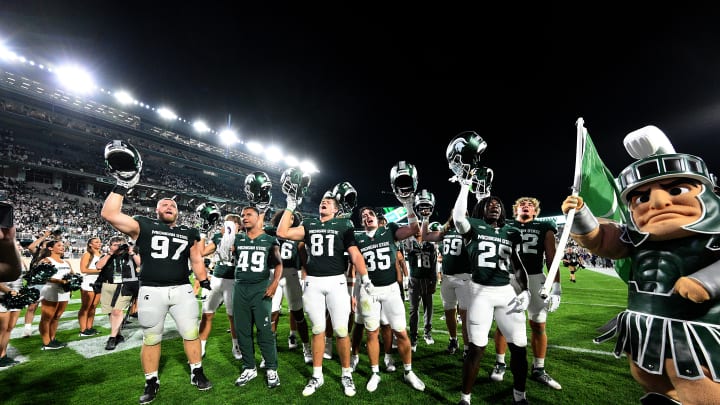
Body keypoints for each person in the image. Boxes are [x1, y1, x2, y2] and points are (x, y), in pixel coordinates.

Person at [561, 126, 720, 404]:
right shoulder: (639, 235)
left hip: (694, 328)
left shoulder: (711, 234)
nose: (658, 202)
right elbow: (604, 239)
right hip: (645, 324)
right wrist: (581, 214)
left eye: (676, 189)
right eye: (642, 197)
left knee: (692, 379)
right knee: (646, 372)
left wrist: (706, 281)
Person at [101, 140, 212, 404]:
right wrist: (123, 184)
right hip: (151, 290)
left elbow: (196, 259)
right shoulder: (144, 226)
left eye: (172, 205)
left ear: (178, 211)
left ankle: (197, 371)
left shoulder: (189, 232)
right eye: (163, 204)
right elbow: (109, 213)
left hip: (182, 289)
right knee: (151, 338)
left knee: (190, 332)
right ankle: (151, 380)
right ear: (156, 210)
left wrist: (204, 281)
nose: (168, 206)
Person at [276, 181, 374, 398]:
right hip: (314, 282)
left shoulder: (345, 225)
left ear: (336, 208)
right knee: (318, 329)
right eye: (322, 201)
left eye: (328, 202)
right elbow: (282, 232)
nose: (324, 203)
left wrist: (365, 276)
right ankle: (317, 375)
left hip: (337, 282)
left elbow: (355, 254)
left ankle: (346, 373)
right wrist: (290, 205)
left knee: (340, 330)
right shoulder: (310, 224)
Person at [453, 191, 532, 405]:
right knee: (476, 348)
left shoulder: (510, 231)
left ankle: (519, 396)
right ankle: (465, 398)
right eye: (489, 204)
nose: (494, 206)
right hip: (480, 292)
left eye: (497, 204)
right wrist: (465, 184)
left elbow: (516, 264)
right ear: (481, 209)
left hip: (506, 291)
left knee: (519, 347)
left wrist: (525, 290)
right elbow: (458, 217)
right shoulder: (474, 227)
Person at [490, 197, 561, 390]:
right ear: (515, 209)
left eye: (530, 204)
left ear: (535, 210)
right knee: (503, 325)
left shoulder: (544, 226)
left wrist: (556, 286)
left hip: (536, 278)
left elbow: (552, 258)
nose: (526, 206)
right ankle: (500, 363)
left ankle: (539, 369)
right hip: (511, 278)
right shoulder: (504, 225)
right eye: (522, 204)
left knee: (538, 325)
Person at [355, 205, 426, 392]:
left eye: (370, 214)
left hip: (391, 289)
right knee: (372, 333)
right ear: (361, 221)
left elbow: (414, 230)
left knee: (401, 332)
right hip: (368, 291)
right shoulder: (357, 238)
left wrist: (409, 205)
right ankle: (375, 372)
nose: (367, 217)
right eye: (363, 215)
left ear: (377, 219)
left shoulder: (390, 230)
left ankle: (408, 371)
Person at [231, 206, 283, 389]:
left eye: (248, 215)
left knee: (265, 330)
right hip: (240, 288)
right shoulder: (237, 238)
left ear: (258, 217)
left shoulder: (269, 239)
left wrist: (275, 283)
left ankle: (271, 367)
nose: (244, 218)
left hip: (260, 289)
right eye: (242, 215)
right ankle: (249, 367)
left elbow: (279, 264)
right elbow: (227, 255)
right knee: (242, 331)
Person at [423, 214, 472, 358]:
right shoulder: (445, 232)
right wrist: (425, 218)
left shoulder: (469, 231)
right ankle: (453, 340)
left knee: (465, 314)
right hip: (447, 277)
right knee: (449, 312)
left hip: (464, 277)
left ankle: (468, 347)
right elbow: (425, 235)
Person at [267, 210, 312, 364]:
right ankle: (270, 350)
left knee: (298, 313)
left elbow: (302, 256)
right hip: (273, 273)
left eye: (293, 217)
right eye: (288, 217)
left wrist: (305, 273)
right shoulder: (272, 231)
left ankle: (307, 347)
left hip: (291, 273)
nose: (291, 219)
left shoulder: (298, 234)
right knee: (272, 313)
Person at [198, 213, 243, 360]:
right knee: (207, 313)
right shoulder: (218, 237)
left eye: (231, 224)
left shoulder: (243, 239)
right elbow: (202, 252)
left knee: (233, 317)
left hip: (233, 281)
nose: (227, 226)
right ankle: (201, 345)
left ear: (238, 226)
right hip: (217, 279)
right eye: (225, 223)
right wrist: (203, 233)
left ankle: (236, 346)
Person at [96, 236, 141, 350]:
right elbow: (98, 266)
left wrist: (132, 252)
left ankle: (112, 338)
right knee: (111, 313)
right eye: (114, 245)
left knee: (117, 311)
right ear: (110, 246)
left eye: (119, 244)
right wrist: (110, 253)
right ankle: (118, 334)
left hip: (125, 285)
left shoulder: (129, 256)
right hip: (108, 285)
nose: (117, 247)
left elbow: (140, 264)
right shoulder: (107, 256)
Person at [38, 240, 75, 350]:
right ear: (50, 248)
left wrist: (71, 285)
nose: (62, 247)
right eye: (59, 245)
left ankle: (52, 339)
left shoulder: (66, 262)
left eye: (63, 245)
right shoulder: (46, 260)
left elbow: (71, 275)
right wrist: (59, 281)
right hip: (51, 290)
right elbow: (41, 277)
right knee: (47, 317)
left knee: (57, 316)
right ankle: (46, 342)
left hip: (64, 291)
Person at [405, 233, 439, 351]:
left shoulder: (430, 245)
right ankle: (413, 337)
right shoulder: (410, 243)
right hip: (414, 279)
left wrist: (434, 282)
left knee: (428, 308)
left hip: (426, 279)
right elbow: (407, 247)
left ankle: (427, 333)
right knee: (413, 310)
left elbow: (434, 265)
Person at [78, 237, 103, 337]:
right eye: (96, 242)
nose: (99, 244)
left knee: (93, 307)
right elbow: (83, 270)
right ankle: (83, 330)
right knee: (85, 307)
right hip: (88, 283)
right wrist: (100, 271)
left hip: (98, 283)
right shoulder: (87, 254)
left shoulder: (101, 255)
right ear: (90, 245)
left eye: (100, 242)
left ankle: (90, 327)